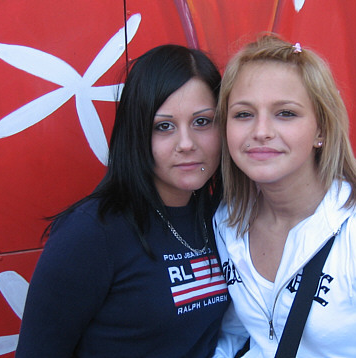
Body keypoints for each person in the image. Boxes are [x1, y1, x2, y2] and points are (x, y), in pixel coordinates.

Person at [212, 34, 356, 357]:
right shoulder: (228, 222)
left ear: (321, 130)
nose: (260, 131)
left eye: (285, 113)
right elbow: (239, 332)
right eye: (243, 114)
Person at [16, 44, 229, 358]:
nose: (186, 144)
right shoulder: (92, 233)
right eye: (164, 126)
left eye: (202, 122)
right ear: (137, 134)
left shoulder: (223, 218)